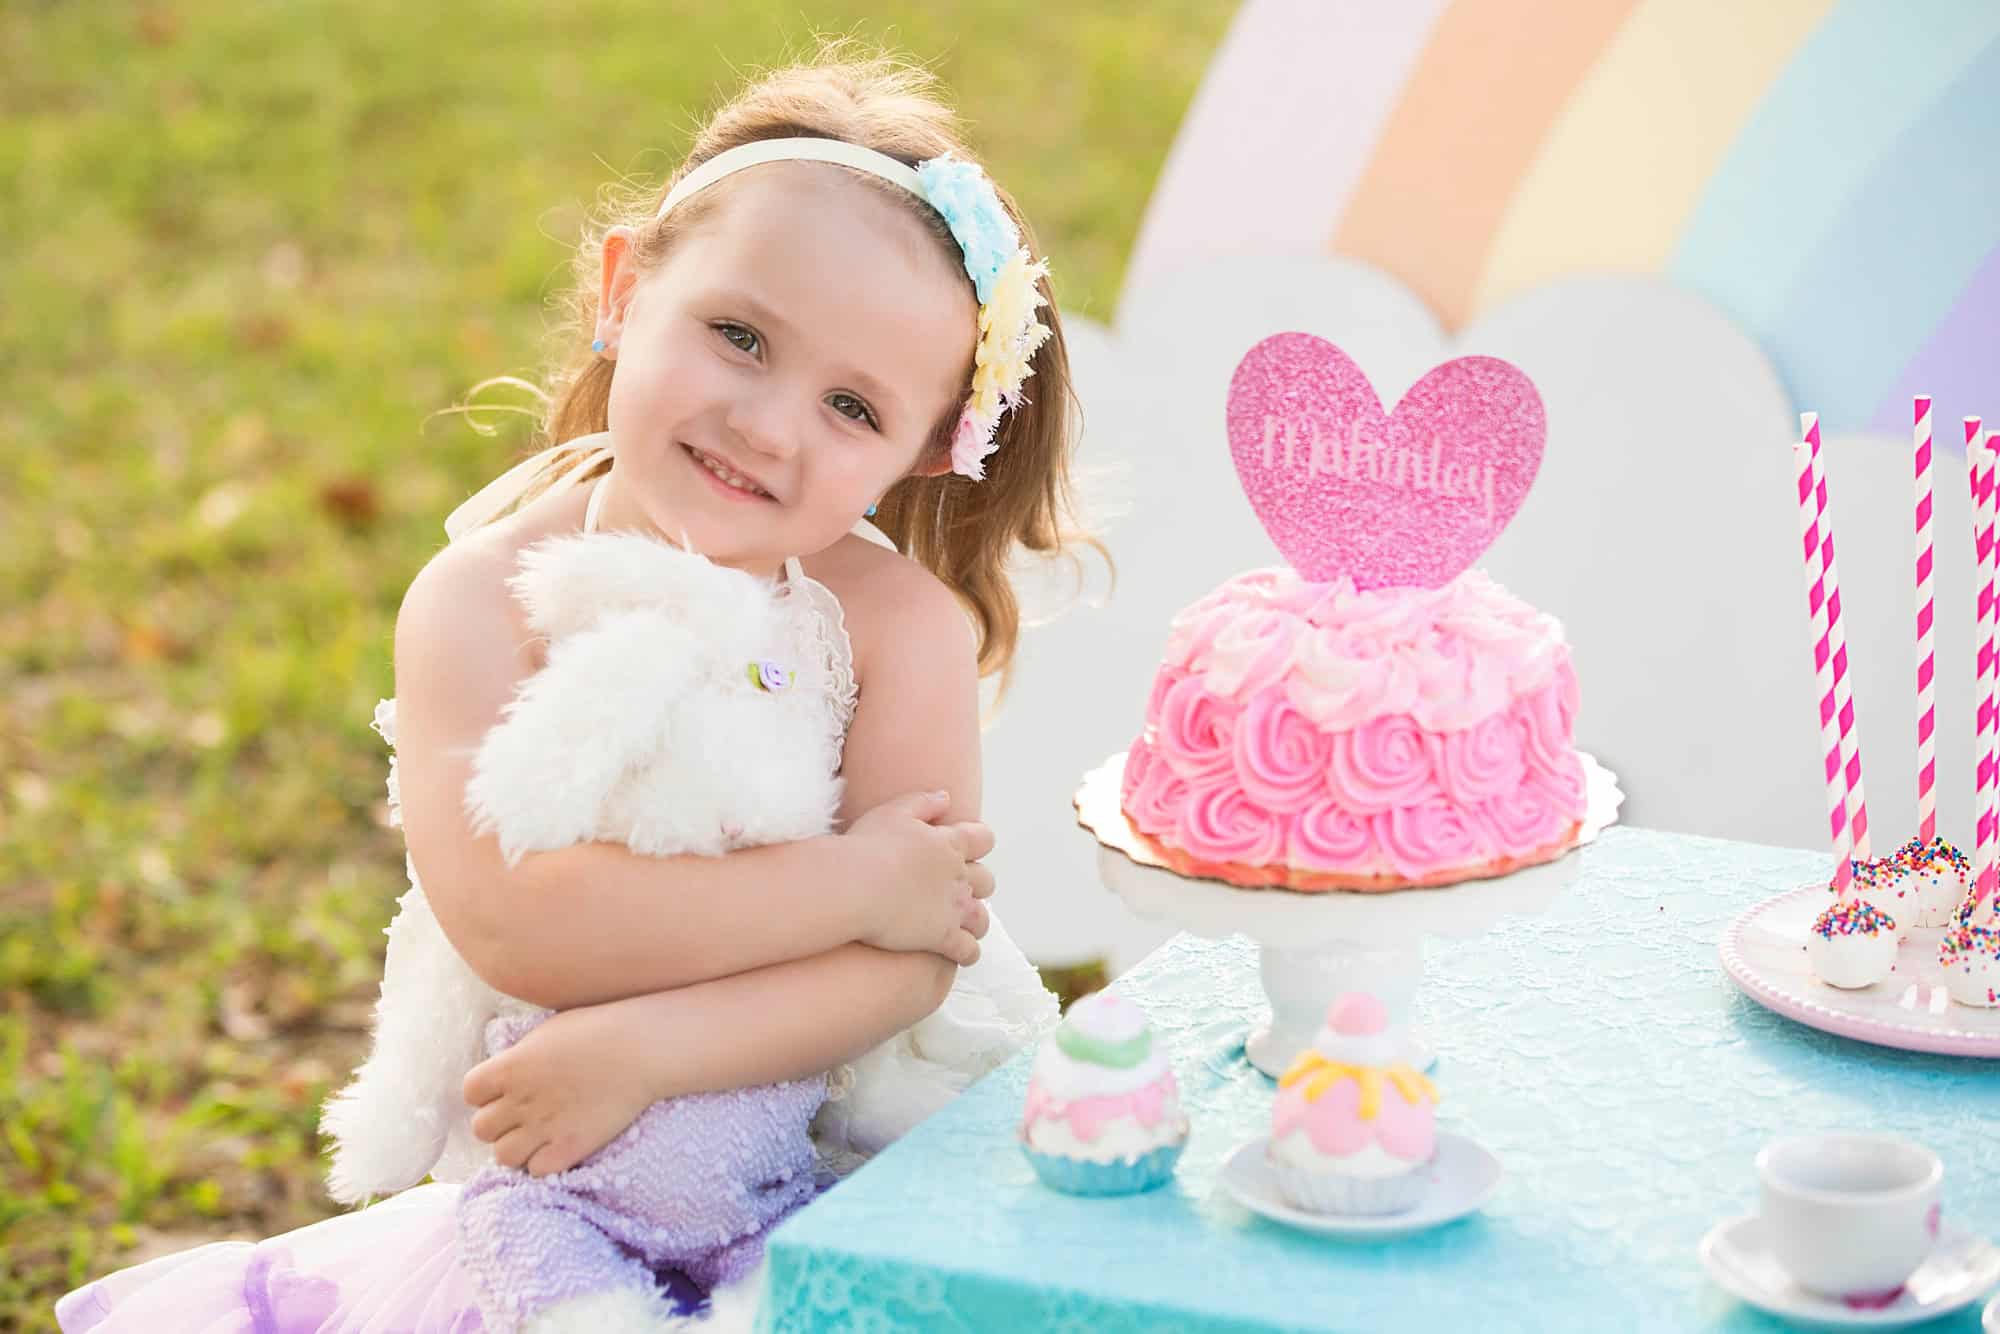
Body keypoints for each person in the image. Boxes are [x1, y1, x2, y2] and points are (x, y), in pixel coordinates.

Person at [57, 43, 1093, 1333]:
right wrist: (855, 885)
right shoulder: (481, 599)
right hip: (550, 1214)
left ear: (926, 453)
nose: (769, 424)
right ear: (624, 291)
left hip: (828, 1177)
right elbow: (518, 918)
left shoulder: (897, 630)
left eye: (851, 407)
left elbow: (915, 955)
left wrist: (651, 1049)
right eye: (739, 336)